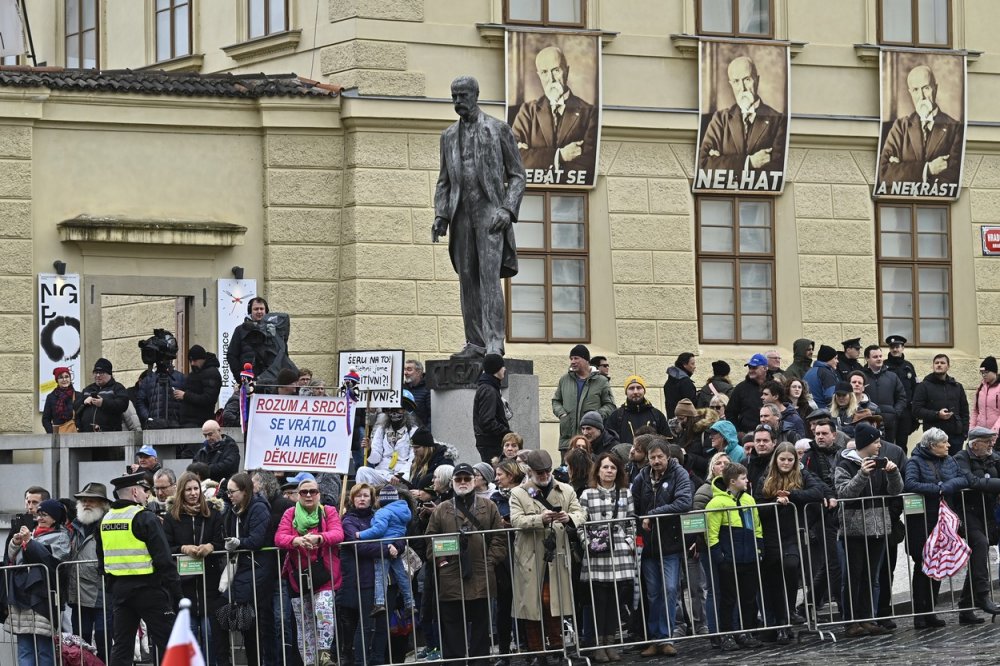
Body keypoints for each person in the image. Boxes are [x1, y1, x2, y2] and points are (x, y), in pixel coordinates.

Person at [432, 75, 526, 358]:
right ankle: (475, 343)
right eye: (454, 96)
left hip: (490, 213)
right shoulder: (448, 136)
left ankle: (494, 342)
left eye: (462, 96)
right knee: (467, 279)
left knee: (488, 279)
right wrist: (441, 216)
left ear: (475, 95)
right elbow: (444, 181)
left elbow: (518, 176)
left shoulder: (498, 129)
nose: (458, 102)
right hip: (461, 213)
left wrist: (507, 209)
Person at [510, 449, 586, 666]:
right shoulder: (519, 493)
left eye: (546, 472)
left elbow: (580, 513)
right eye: (539, 472)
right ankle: (538, 652)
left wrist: (568, 517)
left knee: (553, 602)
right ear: (531, 471)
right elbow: (516, 520)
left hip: (556, 555)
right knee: (532, 605)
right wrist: (539, 519)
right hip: (530, 556)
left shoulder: (566, 489)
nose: (543, 476)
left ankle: (558, 647)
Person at [424, 463, 507, 662]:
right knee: (452, 631)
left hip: (481, 573)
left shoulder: (489, 507)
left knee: (480, 629)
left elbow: (499, 538)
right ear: (452, 482)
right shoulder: (442, 509)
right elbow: (430, 540)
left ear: (474, 480)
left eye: (466, 478)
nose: (463, 483)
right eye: (458, 479)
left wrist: (490, 560)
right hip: (451, 576)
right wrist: (442, 560)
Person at [98, 472, 182, 666]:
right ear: (135, 492)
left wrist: (113, 587)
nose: (147, 495)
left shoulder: (105, 520)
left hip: (120, 592)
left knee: (121, 647)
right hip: (149, 590)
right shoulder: (145, 518)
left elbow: (102, 562)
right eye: (145, 491)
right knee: (170, 643)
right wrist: (177, 593)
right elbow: (164, 560)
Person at [833, 423, 901, 637]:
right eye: (876, 442)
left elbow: (895, 491)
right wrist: (862, 474)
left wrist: (893, 473)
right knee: (853, 576)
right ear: (865, 444)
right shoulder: (845, 464)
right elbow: (845, 493)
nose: (880, 445)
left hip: (878, 526)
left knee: (871, 576)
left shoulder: (881, 463)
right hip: (854, 529)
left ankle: (868, 618)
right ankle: (851, 621)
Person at [754, 441, 824, 641]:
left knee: (791, 565)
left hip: (792, 533)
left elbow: (817, 492)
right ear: (776, 459)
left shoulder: (802, 475)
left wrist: (791, 495)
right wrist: (776, 503)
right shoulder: (765, 478)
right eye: (782, 459)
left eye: (790, 460)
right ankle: (783, 624)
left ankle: (791, 608)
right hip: (771, 534)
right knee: (775, 578)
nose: (785, 463)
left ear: (795, 461)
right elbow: (757, 505)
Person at [630, 440, 692, 657]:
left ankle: (666, 637)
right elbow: (633, 505)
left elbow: (684, 502)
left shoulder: (679, 474)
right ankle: (655, 638)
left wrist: (654, 513)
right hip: (647, 545)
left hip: (670, 543)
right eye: (652, 457)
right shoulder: (642, 477)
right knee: (653, 593)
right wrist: (639, 523)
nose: (656, 461)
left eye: (660, 457)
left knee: (670, 590)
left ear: (667, 456)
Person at [275, 476, 344, 666]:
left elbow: (338, 533)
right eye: (304, 492)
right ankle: (309, 662)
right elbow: (279, 537)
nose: (308, 495)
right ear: (297, 495)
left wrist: (319, 538)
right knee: (304, 623)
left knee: (324, 612)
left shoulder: (328, 511)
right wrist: (294, 541)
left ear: (318, 494)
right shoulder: (290, 514)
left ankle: (324, 655)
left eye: (312, 491)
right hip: (298, 576)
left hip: (325, 573)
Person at [904, 427, 968, 627]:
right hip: (922, 521)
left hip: (944, 521)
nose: (949, 445)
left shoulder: (950, 460)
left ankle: (931, 611)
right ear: (932, 445)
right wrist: (938, 489)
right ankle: (920, 613)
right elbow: (911, 484)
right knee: (922, 565)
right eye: (944, 443)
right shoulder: (915, 462)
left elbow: (962, 478)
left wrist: (946, 486)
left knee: (938, 563)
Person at [162, 471, 228, 665]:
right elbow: (166, 545)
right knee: (189, 636)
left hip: (209, 583)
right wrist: (183, 548)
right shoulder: (171, 517)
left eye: (196, 489)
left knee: (210, 635)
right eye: (188, 489)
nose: (193, 493)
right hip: (184, 586)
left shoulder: (213, 514)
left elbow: (220, 540)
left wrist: (210, 547)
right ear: (181, 492)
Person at [510, 45, 599, 184]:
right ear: (539, 76)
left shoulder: (589, 113)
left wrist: (533, 158)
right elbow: (512, 158)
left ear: (567, 71)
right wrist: (560, 156)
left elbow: (588, 166)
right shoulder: (527, 111)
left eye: (556, 70)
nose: (550, 79)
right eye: (544, 72)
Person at [577, 453, 635, 663]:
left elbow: (631, 522)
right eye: (605, 467)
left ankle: (611, 642)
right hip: (597, 552)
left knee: (615, 600)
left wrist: (628, 542)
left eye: (612, 468)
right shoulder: (587, 495)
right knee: (598, 600)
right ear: (598, 470)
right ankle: (598, 644)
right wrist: (587, 544)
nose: (609, 471)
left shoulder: (625, 494)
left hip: (619, 551)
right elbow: (580, 524)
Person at [697, 55, 786, 182]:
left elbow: (777, 171)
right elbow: (703, 165)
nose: (742, 88)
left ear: (757, 80)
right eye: (736, 81)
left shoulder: (778, 120)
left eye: (747, 79)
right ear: (731, 84)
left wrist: (722, 162)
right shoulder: (720, 120)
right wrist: (749, 163)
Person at [5, 498, 71, 666]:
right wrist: (16, 543)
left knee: (44, 648)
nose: (40, 518)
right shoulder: (31, 533)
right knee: (24, 647)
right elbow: (14, 559)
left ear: (55, 518)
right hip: (22, 596)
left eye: (45, 515)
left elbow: (50, 560)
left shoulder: (61, 537)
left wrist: (30, 543)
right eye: (38, 514)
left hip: (43, 597)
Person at [878, 64, 963, 193]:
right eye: (916, 90)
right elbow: (884, 174)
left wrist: (902, 170)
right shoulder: (901, 127)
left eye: (926, 88)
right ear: (910, 92)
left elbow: (952, 178)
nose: (921, 96)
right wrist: (928, 169)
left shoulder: (954, 128)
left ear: (936, 88)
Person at [706, 463, 763, 651]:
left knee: (748, 598)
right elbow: (711, 533)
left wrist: (759, 548)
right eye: (743, 478)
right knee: (728, 599)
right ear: (732, 481)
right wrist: (719, 558)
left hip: (748, 557)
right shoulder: (716, 503)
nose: (747, 481)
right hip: (729, 559)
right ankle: (727, 634)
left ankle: (747, 632)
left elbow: (757, 526)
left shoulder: (749, 500)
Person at [222, 472, 277, 666]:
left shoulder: (259, 508)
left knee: (255, 624)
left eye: (232, 491)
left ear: (244, 492)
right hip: (242, 568)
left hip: (257, 568)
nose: (228, 495)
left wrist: (238, 543)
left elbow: (256, 540)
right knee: (246, 624)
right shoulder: (233, 509)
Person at [338, 484, 396, 666]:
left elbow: (397, 535)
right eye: (358, 496)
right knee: (365, 626)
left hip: (385, 579)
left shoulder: (380, 516)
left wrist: (397, 546)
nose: (362, 499)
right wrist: (386, 548)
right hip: (364, 580)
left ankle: (377, 660)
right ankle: (361, 661)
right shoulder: (348, 521)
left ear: (372, 498)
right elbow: (359, 547)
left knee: (382, 626)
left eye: (366, 495)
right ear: (352, 499)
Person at [953, 427, 1000, 621]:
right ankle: (982, 595)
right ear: (975, 443)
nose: (991, 445)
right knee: (979, 545)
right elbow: (971, 481)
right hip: (967, 511)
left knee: (979, 553)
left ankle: (965, 604)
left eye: (992, 441)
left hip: (987, 511)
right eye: (987, 441)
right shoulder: (961, 458)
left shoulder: (992, 457)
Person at [66, 482, 112, 662]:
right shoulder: (74, 527)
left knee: (104, 638)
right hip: (79, 594)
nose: (86, 504)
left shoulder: (108, 524)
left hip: (104, 592)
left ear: (103, 504)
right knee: (81, 640)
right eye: (84, 500)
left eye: (92, 500)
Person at [354, 485, 415, 615]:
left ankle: (379, 603)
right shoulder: (404, 510)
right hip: (396, 546)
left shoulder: (383, 511)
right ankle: (410, 603)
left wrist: (361, 535)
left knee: (380, 576)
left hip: (383, 546)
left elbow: (378, 530)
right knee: (402, 576)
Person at [489, 460, 524, 666]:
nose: (496, 478)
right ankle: (504, 652)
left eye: (500, 474)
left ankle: (532, 648)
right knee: (504, 606)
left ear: (511, 475)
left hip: (525, 554)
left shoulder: (528, 493)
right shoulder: (494, 499)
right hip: (504, 557)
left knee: (528, 605)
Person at [551, 344, 615, 452]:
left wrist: (595, 417)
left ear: (586, 360)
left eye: (576, 358)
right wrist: (562, 414)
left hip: (591, 442)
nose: (572, 361)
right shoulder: (564, 380)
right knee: (568, 469)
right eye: (571, 359)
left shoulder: (601, 381)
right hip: (568, 441)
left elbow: (610, 405)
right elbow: (556, 401)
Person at [912, 354, 970, 455]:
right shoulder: (924, 386)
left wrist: (964, 433)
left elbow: (964, 411)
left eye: (942, 363)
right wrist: (937, 414)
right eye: (936, 363)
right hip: (934, 437)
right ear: (933, 366)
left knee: (955, 466)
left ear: (948, 366)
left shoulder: (957, 386)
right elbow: (916, 410)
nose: (939, 365)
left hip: (956, 436)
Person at [357, 405, 418, 486]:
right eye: (391, 410)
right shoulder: (381, 430)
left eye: (398, 409)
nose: (394, 413)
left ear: (405, 410)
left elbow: (413, 460)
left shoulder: (413, 431)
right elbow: (375, 459)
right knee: (362, 471)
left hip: (403, 475)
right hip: (383, 473)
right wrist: (369, 449)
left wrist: (399, 475)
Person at [860, 345, 907, 445]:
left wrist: (895, 412)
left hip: (889, 423)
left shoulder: (892, 376)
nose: (879, 359)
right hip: (867, 421)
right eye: (875, 357)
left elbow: (902, 397)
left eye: (880, 356)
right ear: (867, 358)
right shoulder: (860, 377)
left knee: (887, 450)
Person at [606, 374, 669, 444]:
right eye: (631, 388)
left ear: (644, 391)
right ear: (626, 392)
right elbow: (610, 444)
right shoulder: (616, 416)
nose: (635, 392)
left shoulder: (657, 415)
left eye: (639, 388)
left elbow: (667, 443)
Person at [474, 353, 512, 462]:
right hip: (491, 443)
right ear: (497, 369)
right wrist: (508, 433)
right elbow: (487, 421)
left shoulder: (490, 387)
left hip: (490, 442)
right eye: (502, 366)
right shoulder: (488, 390)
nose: (504, 369)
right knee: (495, 476)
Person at [74, 357, 130, 432]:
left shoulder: (117, 388)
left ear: (109, 374)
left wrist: (103, 403)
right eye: (95, 372)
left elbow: (123, 404)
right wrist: (84, 402)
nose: (97, 375)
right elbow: (75, 408)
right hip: (87, 435)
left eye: (101, 373)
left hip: (110, 435)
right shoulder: (87, 389)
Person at [884, 335, 919, 447]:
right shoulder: (884, 366)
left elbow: (915, 387)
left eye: (897, 346)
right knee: (888, 442)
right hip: (889, 410)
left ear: (902, 348)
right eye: (892, 347)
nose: (895, 349)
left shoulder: (908, 366)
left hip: (905, 411)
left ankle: (902, 464)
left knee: (902, 442)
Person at [176, 344, 222, 428]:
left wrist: (185, 396)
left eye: (195, 360)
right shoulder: (195, 373)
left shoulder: (211, 373)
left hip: (199, 422)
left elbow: (208, 398)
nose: (192, 363)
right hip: (188, 421)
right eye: (190, 361)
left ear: (203, 359)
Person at [726, 353, 768, 435]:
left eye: (754, 368)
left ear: (765, 368)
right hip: (748, 434)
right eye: (749, 367)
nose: (751, 370)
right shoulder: (741, 388)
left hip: (771, 434)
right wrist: (738, 432)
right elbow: (730, 413)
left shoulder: (773, 386)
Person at [803, 345, 839, 409]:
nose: (837, 361)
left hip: (809, 411)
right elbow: (831, 397)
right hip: (823, 412)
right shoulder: (826, 373)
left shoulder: (809, 372)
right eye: (835, 358)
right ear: (828, 358)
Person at [970, 356, 1000, 433]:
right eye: (982, 373)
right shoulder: (980, 388)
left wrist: (994, 430)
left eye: (986, 372)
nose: (983, 375)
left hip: (996, 433)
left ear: (994, 372)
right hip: (982, 433)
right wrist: (972, 429)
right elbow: (975, 411)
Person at [42, 366, 76, 433]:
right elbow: (45, 419)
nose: (64, 380)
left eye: (67, 377)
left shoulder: (78, 395)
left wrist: (79, 429)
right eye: (61, 377)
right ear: (57, 380)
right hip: (57, 434)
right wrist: (53, 433)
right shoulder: (51, 397)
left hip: (74, 434)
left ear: (70, 378)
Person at [664, 352, 698, 419]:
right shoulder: (685, 382)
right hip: (684, 421)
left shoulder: (669, 382)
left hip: (672, 420)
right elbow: (691, 405)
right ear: (684, 365)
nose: (694, 366)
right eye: (692, 364)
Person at [404, 359, 432, 430]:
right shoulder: (403, 388)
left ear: (419, 372)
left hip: (420, 434)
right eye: (405, 369)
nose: (405, 373)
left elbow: (432, 415)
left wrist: (426, 433)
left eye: (409, 370)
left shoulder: (428, 389)